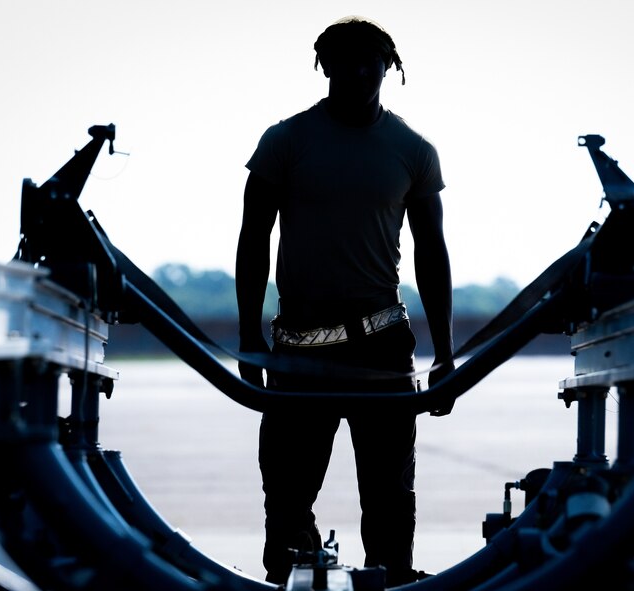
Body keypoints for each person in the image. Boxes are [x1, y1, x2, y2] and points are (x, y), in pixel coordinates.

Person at [235, 15, 454, 586]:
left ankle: (392, 578)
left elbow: (432, 253)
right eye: (343, 61)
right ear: (322, 66)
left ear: (390, 68)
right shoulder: (284, 142)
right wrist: (247, 338)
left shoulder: (412, 150)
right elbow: (252, 239)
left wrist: (447, 354)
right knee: (285, 501)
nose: (358, 72)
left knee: (388, 501)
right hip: (297, 351)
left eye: (371, 62)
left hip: (382, 348)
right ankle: (292, 578)